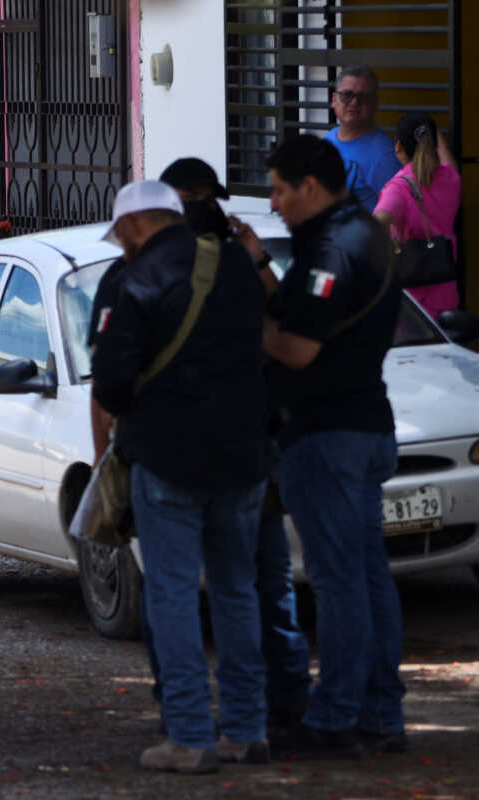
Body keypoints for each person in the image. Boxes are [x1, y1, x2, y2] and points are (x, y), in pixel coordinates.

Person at [92, 180, 270, 774]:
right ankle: (246, 730)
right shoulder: (237, 268)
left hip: (167, 457)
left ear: (136, 226)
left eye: (120, 233)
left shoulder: (135, 280)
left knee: (170, 594)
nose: (121, 245)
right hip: (244, 455)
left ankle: (190, 736)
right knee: (237, 592)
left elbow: (111, 381)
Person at [264, 134, 406, 759]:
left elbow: (298, 347)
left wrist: (244, 312)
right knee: (369, 578)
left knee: (341, 580)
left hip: (328, 434)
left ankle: (335, 718)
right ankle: (379, 716)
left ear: (310, 188)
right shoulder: (367, 234)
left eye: (278, 190)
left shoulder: (331, 249)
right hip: (367, 424)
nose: (272, 205)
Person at [158, 157, 313, 731]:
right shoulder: (178, 268)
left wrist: (258, 261)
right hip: (237, 449)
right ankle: (247, 713)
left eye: (206, 197)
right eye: (197, 197)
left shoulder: (200, 267)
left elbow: (285, 323)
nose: (206, 208)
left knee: (240, 585)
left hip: (234, 450)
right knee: (239, 586)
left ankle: (262, 706)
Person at [374, 112, 461, 318]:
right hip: (447, 300)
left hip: (411, 307)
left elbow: (378, 222)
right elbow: (447, 158)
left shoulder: (398, 188)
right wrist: (431, 133)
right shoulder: (451, 178)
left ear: (398, 147)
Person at [324, 65, 402, 212]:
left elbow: (397, 217)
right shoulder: (327, 140)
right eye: (347, 95)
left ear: (375, 103)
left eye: (363, 97)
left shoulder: (384, 156)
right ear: (334, 100)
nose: (354, 102)